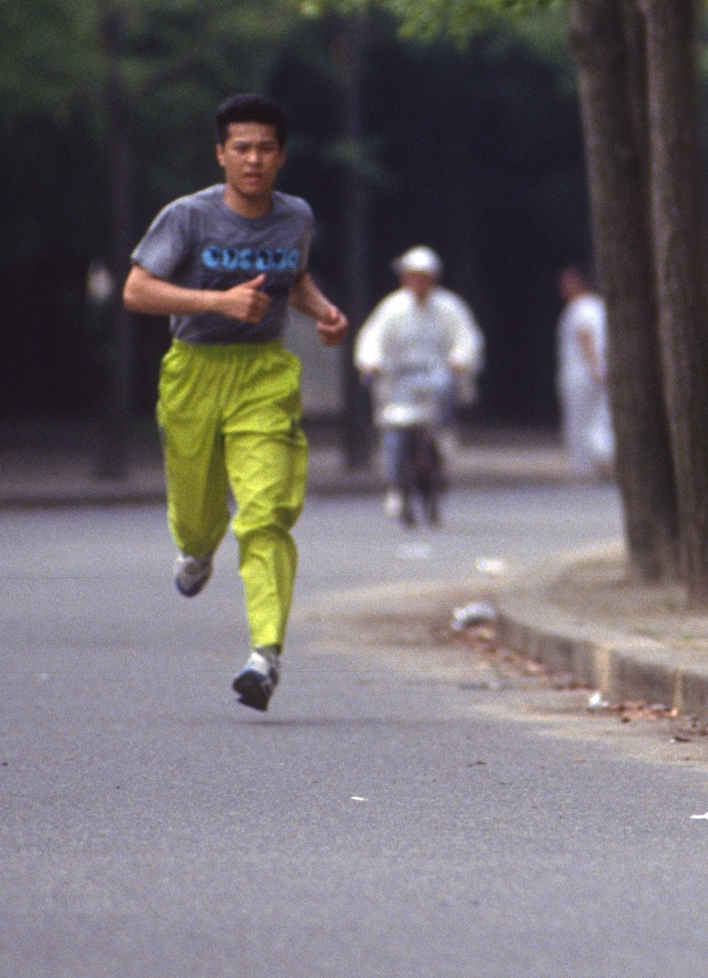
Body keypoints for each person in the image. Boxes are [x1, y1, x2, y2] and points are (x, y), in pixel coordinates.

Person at [123, 93, 349, 714]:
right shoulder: (188, 218)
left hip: (263, 376)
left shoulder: (295, 217)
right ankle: (197, 550)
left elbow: (292, 280)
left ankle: (265, 655)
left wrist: (324, 312)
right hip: (195, 373)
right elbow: (137, 290)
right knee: (198, 519)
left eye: (266, 148)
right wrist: (218, 303)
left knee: (265, 512)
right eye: (241, 147)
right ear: (221, 154)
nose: (253, 159)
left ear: (281, 156)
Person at [354, 246, 484, 526]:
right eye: (411, 276)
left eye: (422, 276)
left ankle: (443, 452)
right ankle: (396, 485)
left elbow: (467, 338)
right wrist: (371, 362)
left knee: (442, 421)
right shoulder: (392, 308)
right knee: (391, 429)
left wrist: (459, 360)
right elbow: (372, 338)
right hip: (399, 381)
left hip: (435, 379)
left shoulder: (449, 307)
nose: (416, 282)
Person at [555, 265, 614, 479]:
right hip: (598, 372)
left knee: (582, 422)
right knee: (600, 419)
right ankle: (600, 460)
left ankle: (589, 466)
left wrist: (595, 369)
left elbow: (585, 338)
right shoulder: (598, 306)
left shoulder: (580, 308)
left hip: (581, 375)